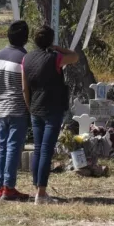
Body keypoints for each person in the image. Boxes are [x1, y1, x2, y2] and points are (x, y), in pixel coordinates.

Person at [21, 25, 79, 205]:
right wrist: (57, 48)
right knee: (46, 149)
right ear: (50, 41)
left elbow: (24, 87)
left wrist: (29, 106)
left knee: (38, 148)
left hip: (35, 107)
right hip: (52, 108)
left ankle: (37, 186)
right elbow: (75, 56)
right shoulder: (55, 58)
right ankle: (42, 192)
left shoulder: (26, 58)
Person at [0, 21, 31, 201]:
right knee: (14, 147)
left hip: (1, 109)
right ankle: (9, 187)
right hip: (18, 110)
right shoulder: (25, 58)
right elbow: (25, 88)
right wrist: (30, 108)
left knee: (2, 147)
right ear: (26, 38)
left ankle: (0, 186)